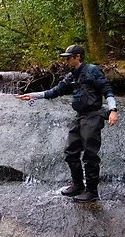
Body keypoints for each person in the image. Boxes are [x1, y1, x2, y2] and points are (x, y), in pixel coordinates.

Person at [19, 45, 118, 202]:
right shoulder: (72, 75)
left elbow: (107, 90)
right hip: (79, 117)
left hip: (93, 116)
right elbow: (56, 91)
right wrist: (33, 96)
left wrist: (113, 110)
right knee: (71, 151)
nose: (65, 61)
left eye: (68, 58)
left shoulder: (92, 70)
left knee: (90, 155)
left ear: (77, 57)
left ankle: (92, 192)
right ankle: (78, 185)